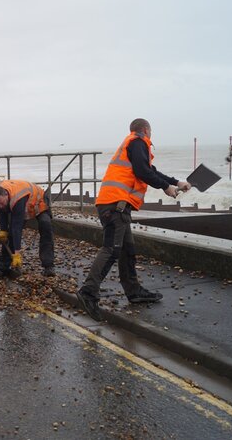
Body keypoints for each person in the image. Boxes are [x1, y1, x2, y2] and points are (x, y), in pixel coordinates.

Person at [76, 118, 191, 321]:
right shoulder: (138, 141)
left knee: (127, 250)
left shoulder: (132, 143)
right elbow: (143, 171)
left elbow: (149, 170)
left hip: (116, 205)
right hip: (115, 206)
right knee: (112, 249)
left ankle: (134, 292)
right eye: (151, 131)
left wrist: (175, 182)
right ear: (146, 130)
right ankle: (88, 292)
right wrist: (165, 187)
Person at [0, 179, 55, 279]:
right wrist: (3, 231)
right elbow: (2, 212)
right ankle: (3, 268)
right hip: (25, 205)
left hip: (39, 202)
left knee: (45, 225)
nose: (0, 206)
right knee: (10, 233)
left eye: (1, 203)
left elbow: (17, 227)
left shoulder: (17, 198)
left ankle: (49, 266)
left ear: (6, 195)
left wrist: (17, 254)